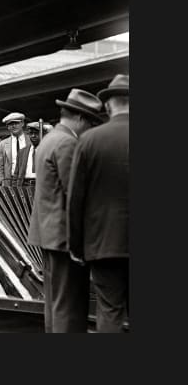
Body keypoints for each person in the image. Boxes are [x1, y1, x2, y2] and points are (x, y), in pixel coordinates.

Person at [27, 89, 103, 332]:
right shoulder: (67, 143)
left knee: (55, 301)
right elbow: (75, 194)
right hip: (64, 237)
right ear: (80, 118)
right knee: (69, 304)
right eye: (91, 122)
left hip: (48, 233)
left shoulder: (49, 140)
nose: (90, 129)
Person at [67, 75, 129, 332]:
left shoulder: (89, 141)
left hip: (103, 244)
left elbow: (76, 199)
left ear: (107, 106)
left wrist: (76, 246)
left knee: (110, 311)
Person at [0, 112, 27, 186]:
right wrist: (0, 183)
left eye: (16, 123)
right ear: (7, 127)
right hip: (10, 182)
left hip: (27, 181)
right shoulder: (3, 144)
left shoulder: (30, 141)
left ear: (22, 123)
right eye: (10, 124)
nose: (14, 126)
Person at [16, 121, 42, 186]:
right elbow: (16, 174)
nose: (33, 136)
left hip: (42, 185)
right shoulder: (22, 152)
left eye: (36, 133)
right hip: (25, 185)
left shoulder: (48, 150)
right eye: (31, 133)